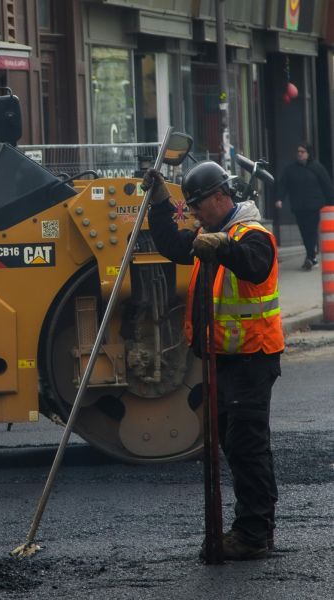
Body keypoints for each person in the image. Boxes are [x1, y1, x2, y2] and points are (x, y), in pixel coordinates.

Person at [143, 162, 283, 561]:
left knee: (247, 447)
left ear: (220, 198)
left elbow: (253, 264)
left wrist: (221, 247)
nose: (194, 214)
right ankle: (255, 528)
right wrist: (159, 203)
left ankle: (254, 534)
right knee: (236, 444)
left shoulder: (252, 235)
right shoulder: (213, 233)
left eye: (197, 206)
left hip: (252, 359)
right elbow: (172, 244)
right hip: (226, 359)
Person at [275, 142, 334, 270]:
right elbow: (283, 184)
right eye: (298, 152)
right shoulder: (291, 169)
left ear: (308, 154)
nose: (300, 154)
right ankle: (311, 257)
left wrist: (331, 203)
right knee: (304, 232)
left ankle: (310, 257)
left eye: (303, 152)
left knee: (311, 231)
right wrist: (279, 199)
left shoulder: (317, 168)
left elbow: (327, 185)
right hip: (299, 207)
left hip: (314, 206)